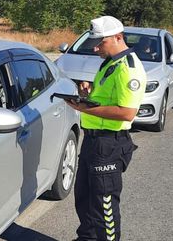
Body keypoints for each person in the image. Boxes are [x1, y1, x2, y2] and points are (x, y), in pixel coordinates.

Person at [65, 16, 146, 241]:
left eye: (101, 43)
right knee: (85, 197)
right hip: (93, 141)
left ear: (118, 37)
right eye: (94, 43)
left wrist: (84, 108)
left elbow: (127, 112)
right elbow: (105, 100)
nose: (96, 48)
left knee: (104, 206)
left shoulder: (128, 68)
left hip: (109, 144)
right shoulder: (111, 62)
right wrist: (87, 95)